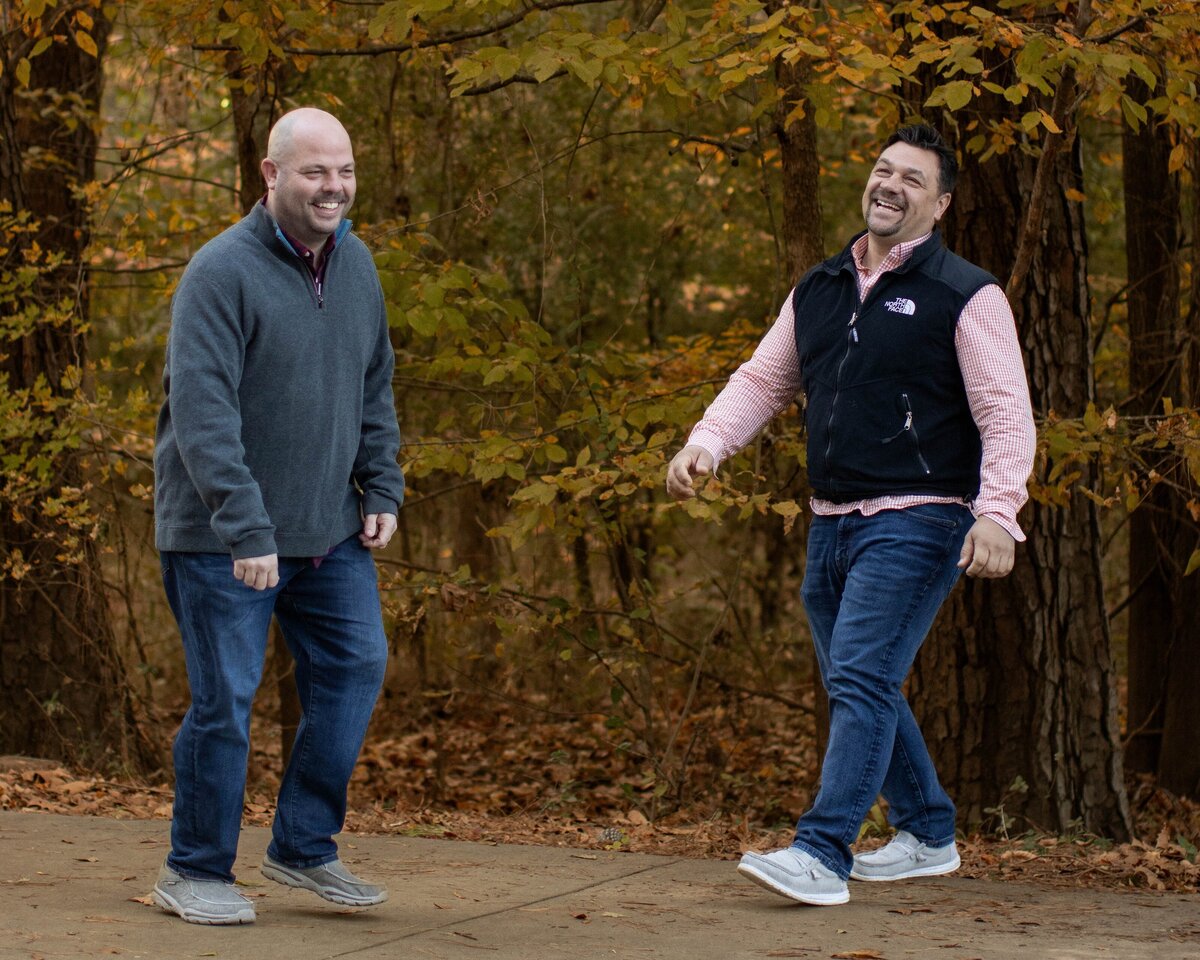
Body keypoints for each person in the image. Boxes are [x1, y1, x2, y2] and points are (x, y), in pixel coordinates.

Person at [665, 124, 1036, 906]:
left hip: (922, 515)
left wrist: (998, 512)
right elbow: (765, 380)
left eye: (911, 178)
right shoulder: (822, 286)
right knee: (862, 679)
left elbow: (1006, 411)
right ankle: (928, 832)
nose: (889, 184)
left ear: (939, 203)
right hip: (832, 518)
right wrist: (706, 443)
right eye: (881, 169)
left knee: (862, 675)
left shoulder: (967, 293)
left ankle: (822, 853)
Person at [150, 107, 405, 925]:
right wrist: (245, 529)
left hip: (329, 533)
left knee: (357, 668)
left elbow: (374, 384)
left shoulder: (356, 263)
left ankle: (301, 845)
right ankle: (193, 869)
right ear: (270, 175)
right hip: (222, 541)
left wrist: (383, 487)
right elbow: (202, 414)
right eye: (314, 172)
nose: (334, 187)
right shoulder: (220, 272)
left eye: (345, 171)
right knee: (226, 700)